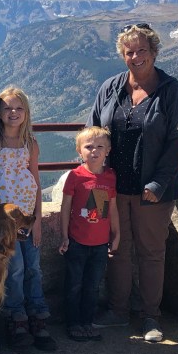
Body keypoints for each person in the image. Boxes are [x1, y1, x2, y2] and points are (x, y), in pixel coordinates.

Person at [86, 22, 178, 343]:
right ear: (122, 55)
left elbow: (177, 142)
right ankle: (117, 310)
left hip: (152, 191)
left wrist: (159, 183)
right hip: (112, 188)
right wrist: (93, 174)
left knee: (151, 252)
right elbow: (92, 131)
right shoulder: (110, 88)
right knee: (116, 248)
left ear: (154, 52)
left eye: (142, 50)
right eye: (129, 51)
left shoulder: (170, 90)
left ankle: (149, 316)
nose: (136, 56)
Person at [0, 87, 55, 351]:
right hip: (4, 223)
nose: (13, 112)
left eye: (18, 108)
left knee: (33, 268)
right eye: (7, 108)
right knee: (14, 270)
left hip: (27, 218)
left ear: (26, 112)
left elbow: (35, 181)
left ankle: (37, 314)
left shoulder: (30, 144)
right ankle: (16, 318)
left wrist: (37, 221)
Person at [59, 126, 120, 341]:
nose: (94, 151)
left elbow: (112, 209)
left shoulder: (110, 177)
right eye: (88, 147)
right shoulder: (75, 176)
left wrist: (117, 234)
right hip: (77, 242)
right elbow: (65, 208)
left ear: (108, 150)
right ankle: (73, 323)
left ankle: (87, 322)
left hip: (100, 244)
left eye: (100, 146)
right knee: (74, 285)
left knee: (93, 286)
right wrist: (64, 236)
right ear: (79, 151)